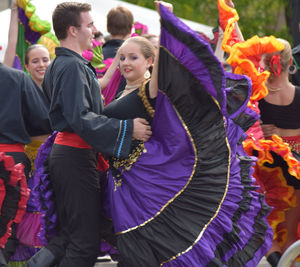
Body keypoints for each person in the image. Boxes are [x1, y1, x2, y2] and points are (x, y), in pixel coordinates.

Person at [100, 1, 272, 266]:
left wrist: (164, 20)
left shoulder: (148, 90)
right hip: (124, 184)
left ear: (149, 61)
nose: (125, 62)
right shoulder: (118, 91)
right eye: (122, 57)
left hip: (147, 182)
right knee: (135, 247)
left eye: (133, 57)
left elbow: (172, 63)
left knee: (150, 248)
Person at [24, 2, 151, 267]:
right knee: (84, 245)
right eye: (89, 24)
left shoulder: (65, 64)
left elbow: (84, 110)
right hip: (74, 157)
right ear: (73, 30)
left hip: (71, 156)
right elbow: (79, 118)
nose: (94, 30)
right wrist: (127, 129)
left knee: (70, 237)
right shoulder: (70, 68)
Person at [0, 61, 51, 266]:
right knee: (6, 229)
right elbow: (41, 120)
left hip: (11, 159)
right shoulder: (17, 77)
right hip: (11, 161)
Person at [258, 38, 300, 266]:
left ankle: (277, 262)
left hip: (267, 171)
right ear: (290, 63)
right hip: (296, 170)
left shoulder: (257, 97)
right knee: (290, 234)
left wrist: (262, 131)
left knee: (263, 230)